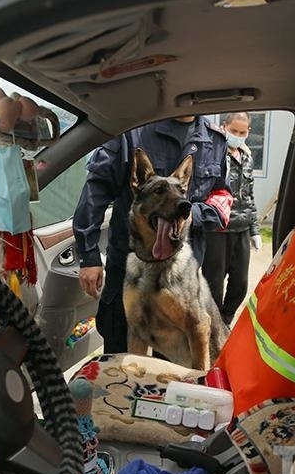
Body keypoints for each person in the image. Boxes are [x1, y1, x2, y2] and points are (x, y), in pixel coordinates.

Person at [72, 116, 230, 353]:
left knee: (173, 366)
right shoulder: (131, 130)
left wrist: (190, 214)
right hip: (129, 273)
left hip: (181, 280)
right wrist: (89, 255)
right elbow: (97, 190)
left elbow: (223, 197)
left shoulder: (215, 140)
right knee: (121, 357)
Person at [202, 112, 261, 326]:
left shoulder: (247, 157)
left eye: (242, 132)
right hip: (218, 229)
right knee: (213, 283)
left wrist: (254, 230)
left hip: (242, 228)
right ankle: (213, 324)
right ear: (224, 127)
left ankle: (225, 320)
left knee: (240, 284)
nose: (237, 135)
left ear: (248, 132)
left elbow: (249, 195)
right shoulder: (214, 154)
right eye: (233, 130)